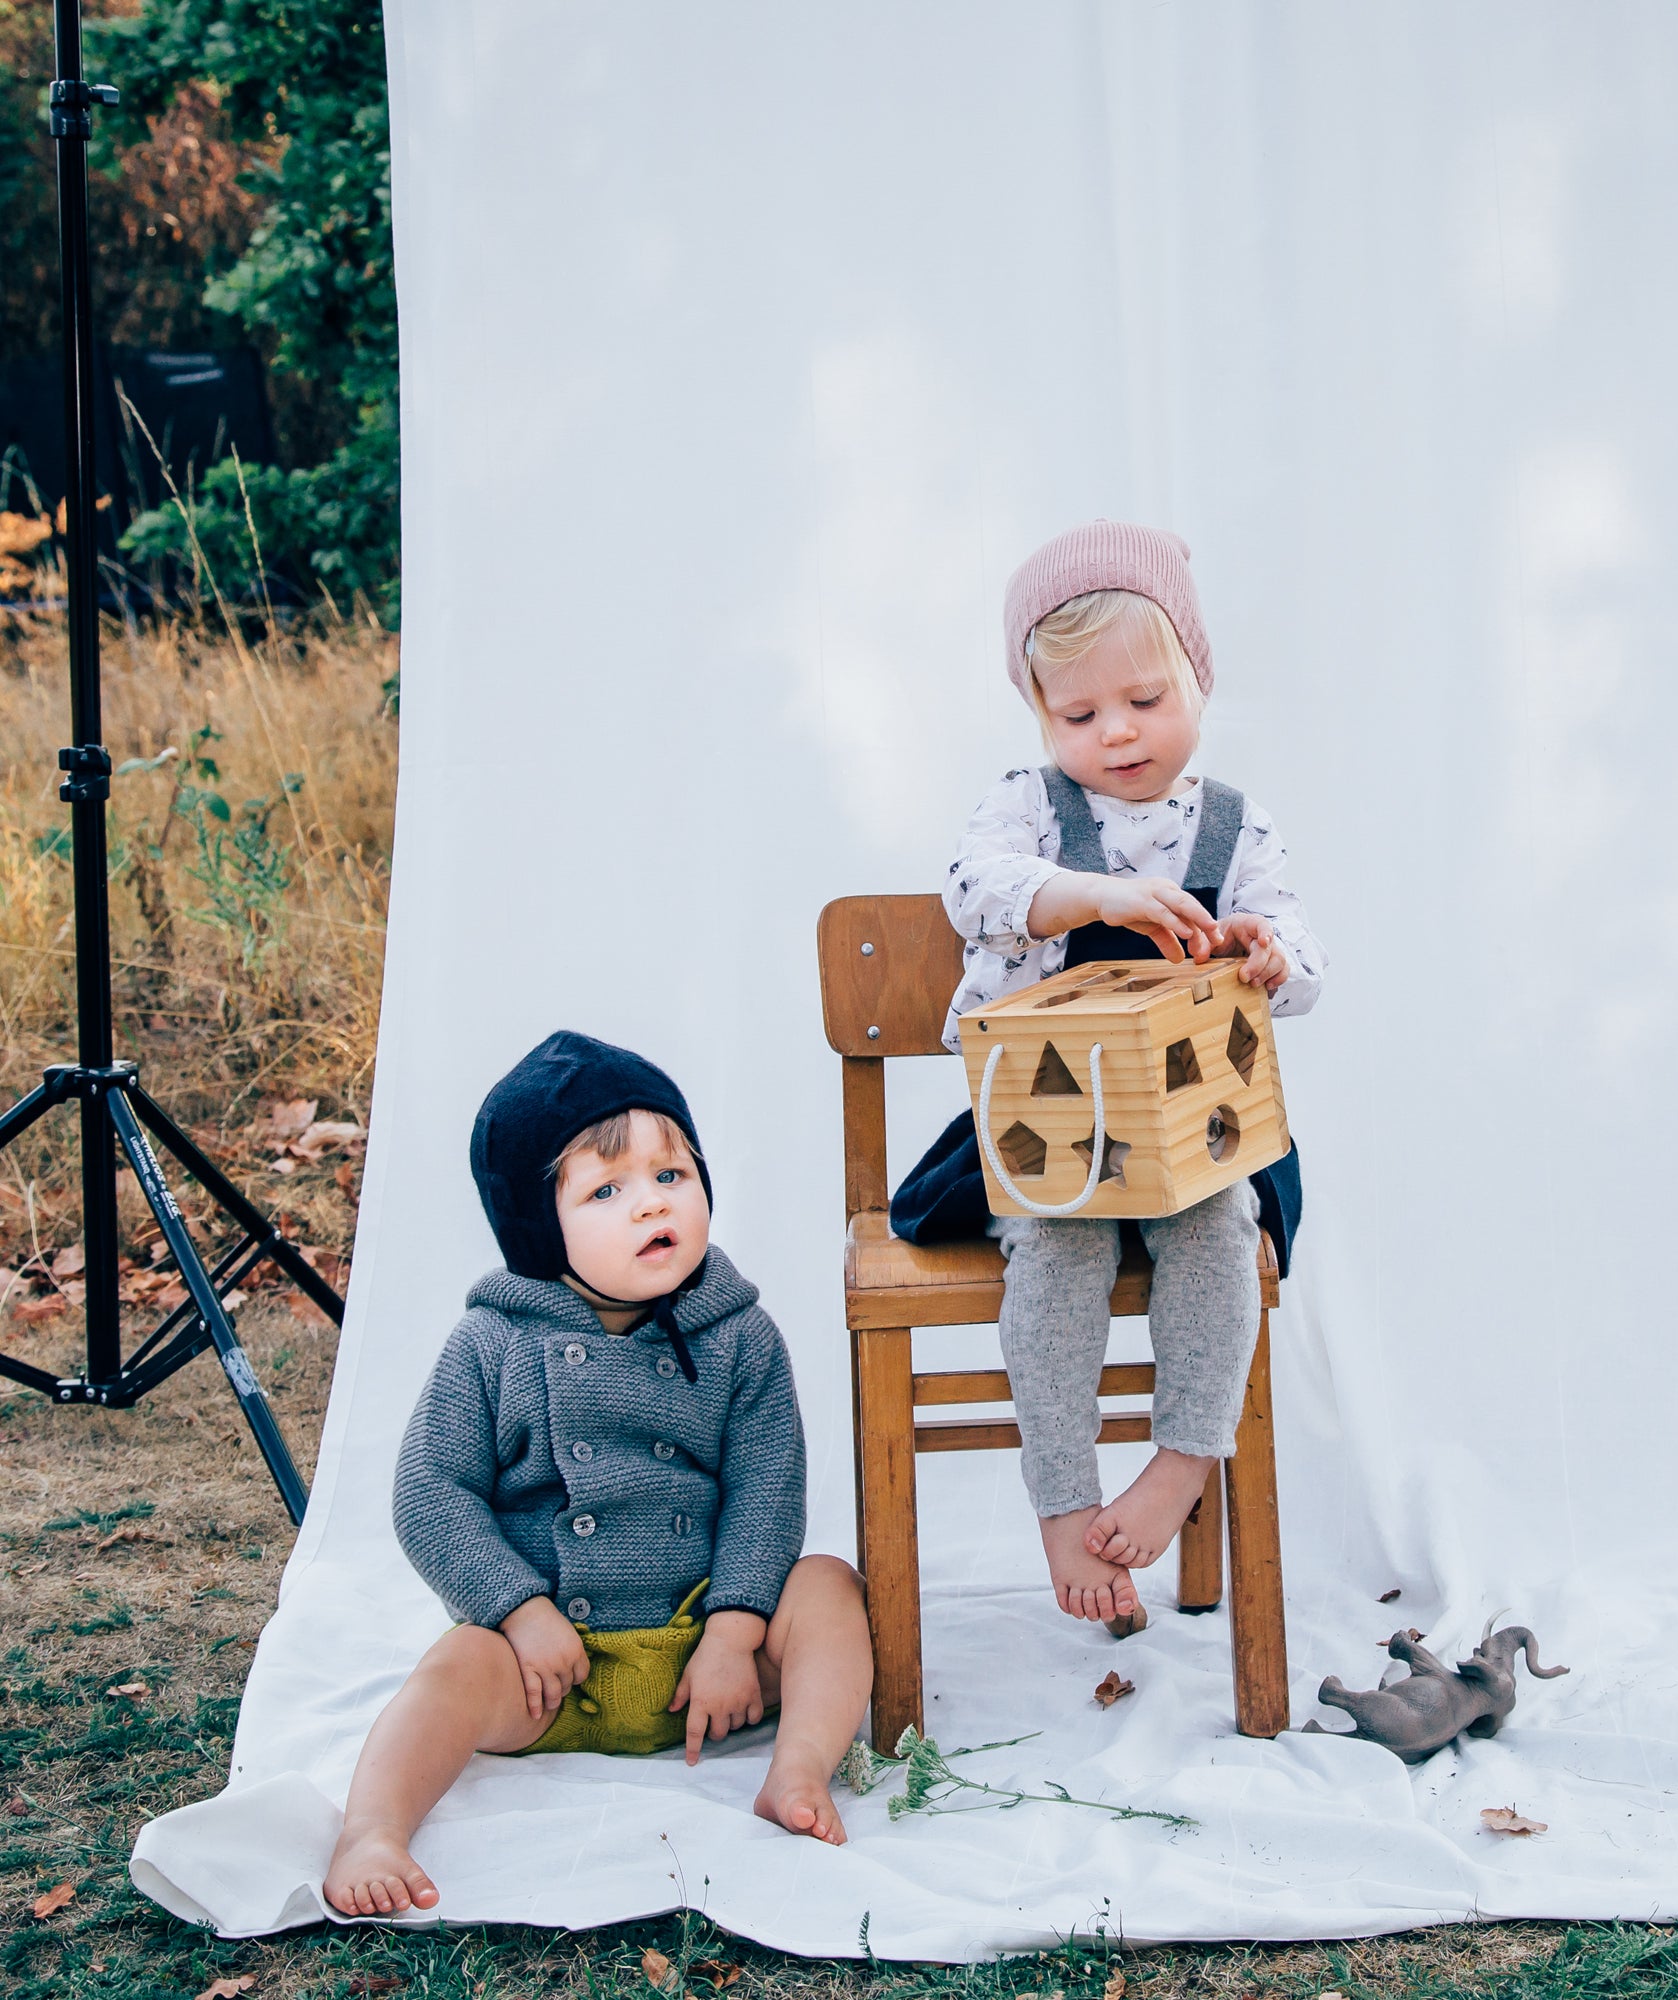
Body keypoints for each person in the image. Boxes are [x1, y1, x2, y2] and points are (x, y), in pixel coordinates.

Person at [323, 1032, 873, 1918]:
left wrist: (735, 1633)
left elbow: (769, 1487)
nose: (650, 1205)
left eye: (672, 1176)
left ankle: (798, 1768)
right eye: (606, 1190)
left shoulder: (740, 1334)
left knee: (829, 1588)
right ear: (542, 1226)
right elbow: (430, 1493)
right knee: (456, 1665)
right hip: (551, 1672)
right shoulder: (493, 1343)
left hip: (704, 1658)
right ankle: (373, 1827)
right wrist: (518, 1610)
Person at [891, 522, 1326, 1634]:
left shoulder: (1235, 825)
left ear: (1196, 675)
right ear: (1040, 717)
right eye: (1076, 715)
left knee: (1222, 1225)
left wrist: (1264, 955)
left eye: (1142, 699)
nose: (1115, 732)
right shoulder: (1028, 810)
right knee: (1056, 1235)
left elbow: (1301, 967)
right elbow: (973, 889)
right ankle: (1059, 1495)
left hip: (1191, 1142)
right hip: (1045, 1136)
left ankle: (1184, 1456)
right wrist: (1092, 897)